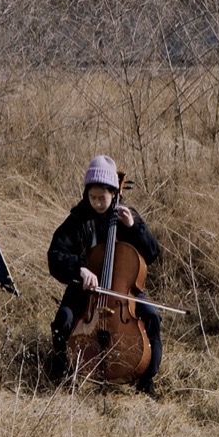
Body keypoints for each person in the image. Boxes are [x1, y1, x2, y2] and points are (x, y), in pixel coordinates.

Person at [47, 154, 163, 396]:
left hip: (123, 288)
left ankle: (146, 380)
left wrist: (135, 229)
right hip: (86, 289)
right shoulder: (78, 218)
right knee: (63, 320)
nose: (98, 203)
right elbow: (55, 255)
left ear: (114, 193)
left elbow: (152, 253)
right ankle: (64, 372)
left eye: (103, 198)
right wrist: (79, 268)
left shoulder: (125, 216)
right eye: (93, 197)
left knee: (151, 316)